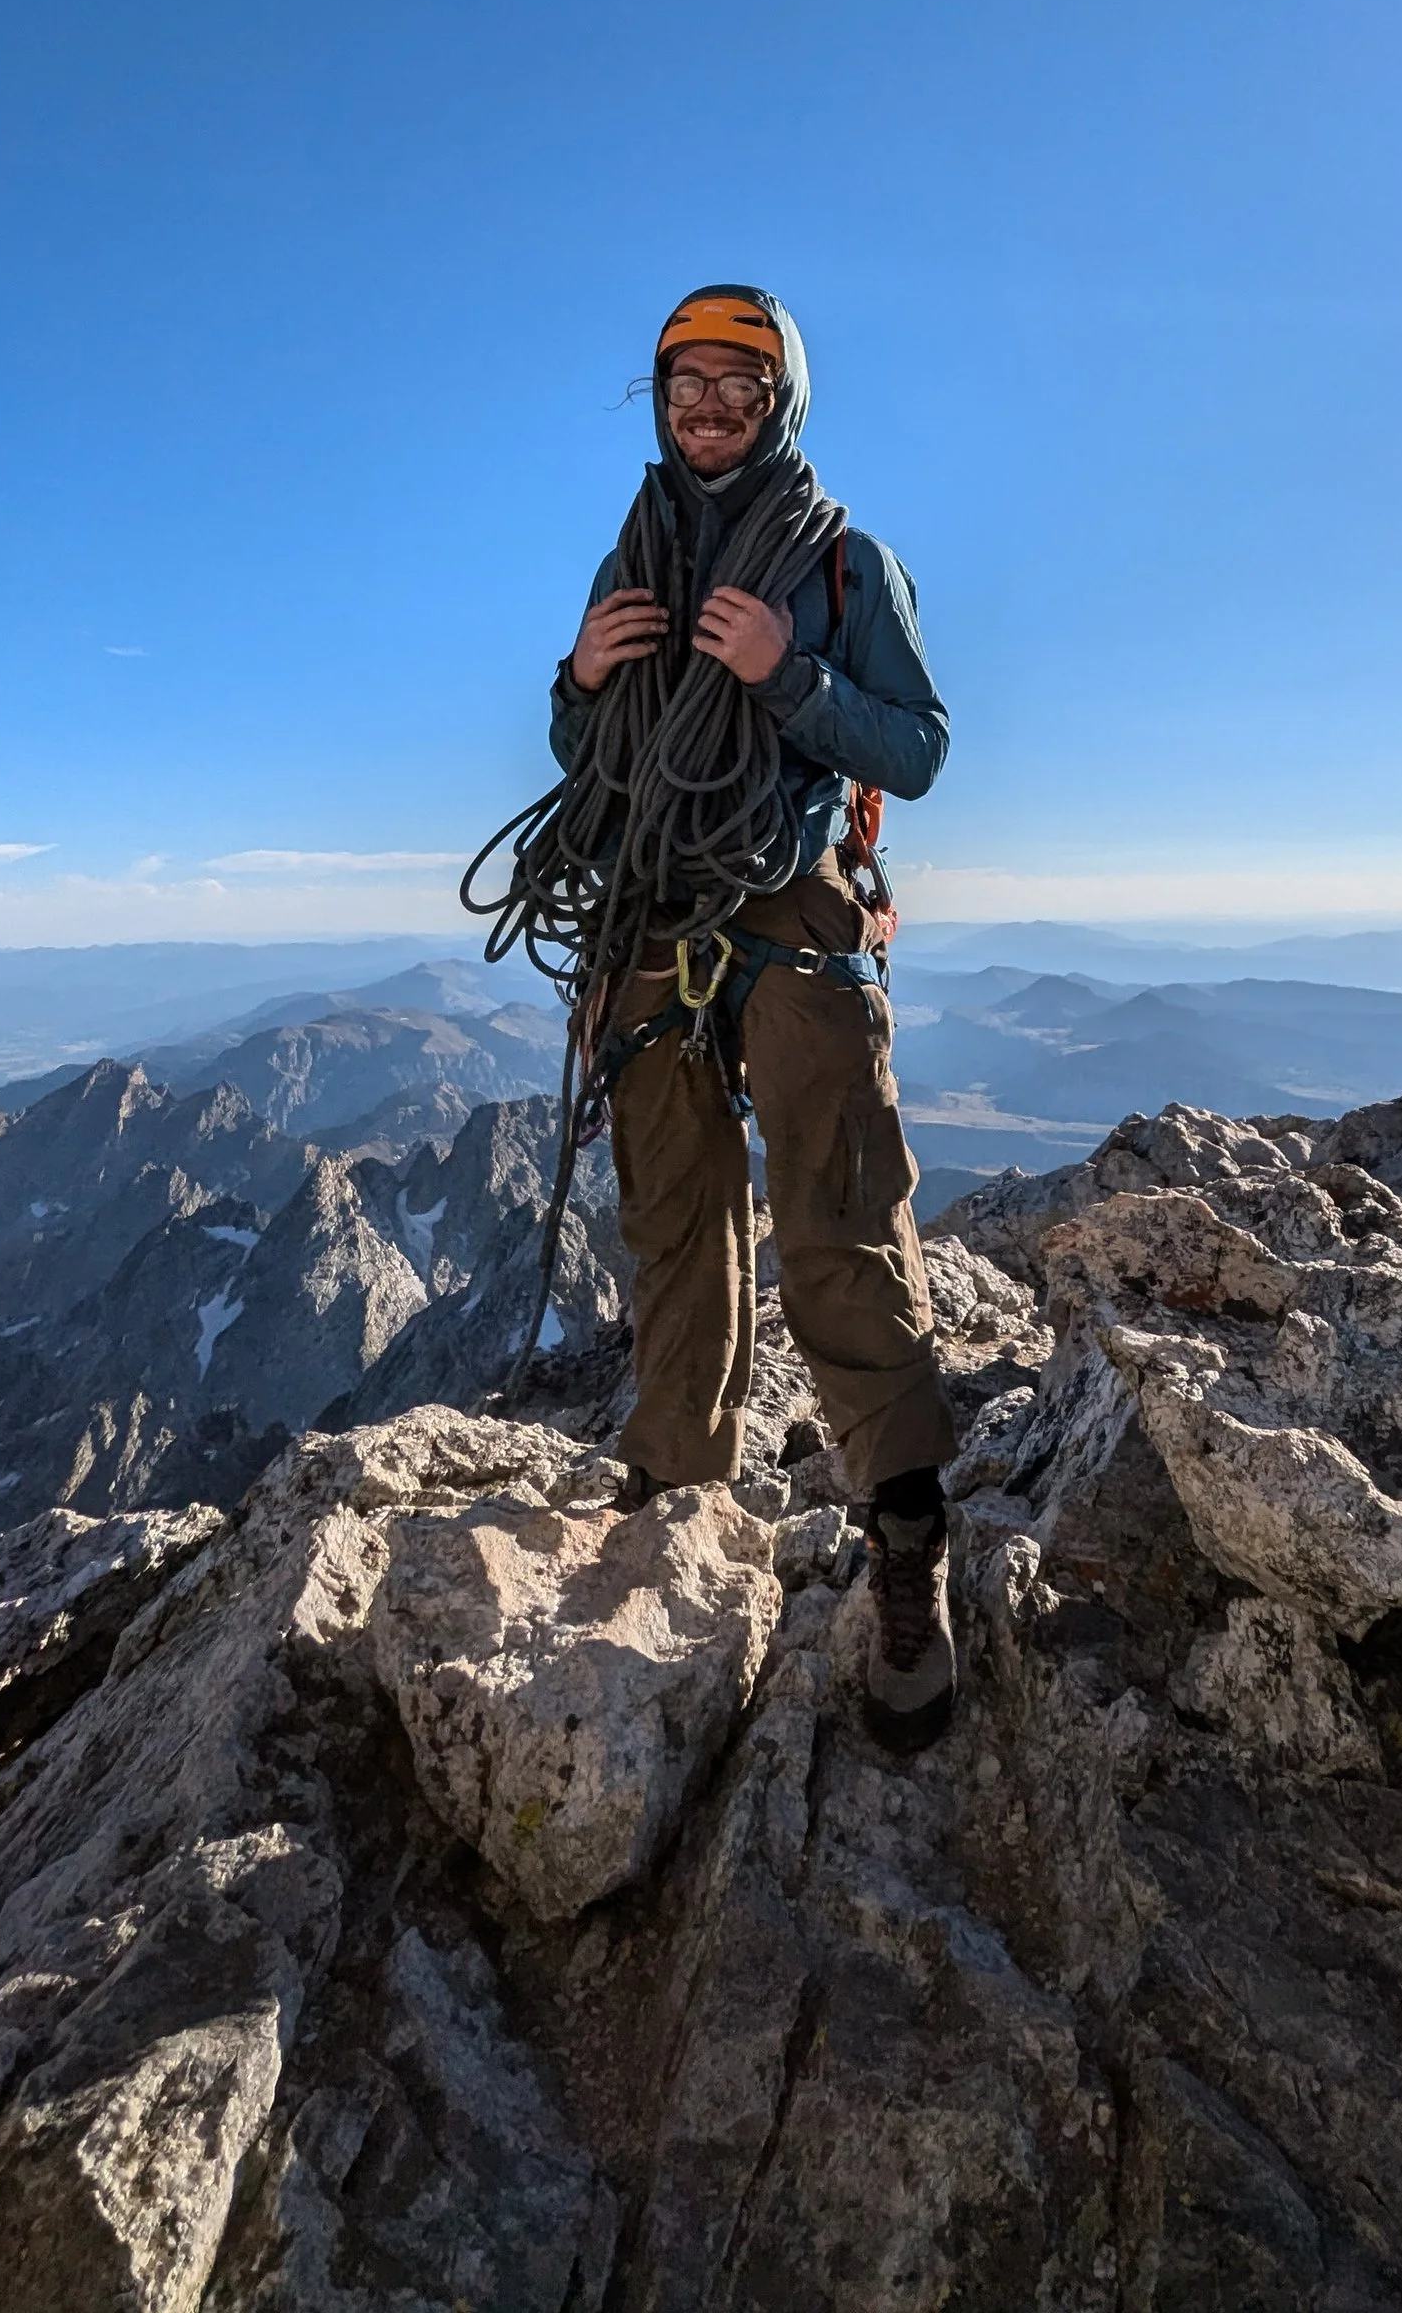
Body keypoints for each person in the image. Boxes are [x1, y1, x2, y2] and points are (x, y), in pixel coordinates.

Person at [550, 285, 961, 1751]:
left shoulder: (844, 559)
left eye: (739, 380)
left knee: (839, 1209)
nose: (710, 404)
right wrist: (581, 678)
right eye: (686, 382)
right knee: (673, 1203)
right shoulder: (636, 550)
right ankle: (674, 1477)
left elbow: (916, 746)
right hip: (657, 905)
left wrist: (783, 677)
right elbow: (585, 748)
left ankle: (908, 1540)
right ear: (660, 401)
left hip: (793, 907)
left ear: (780, 398)